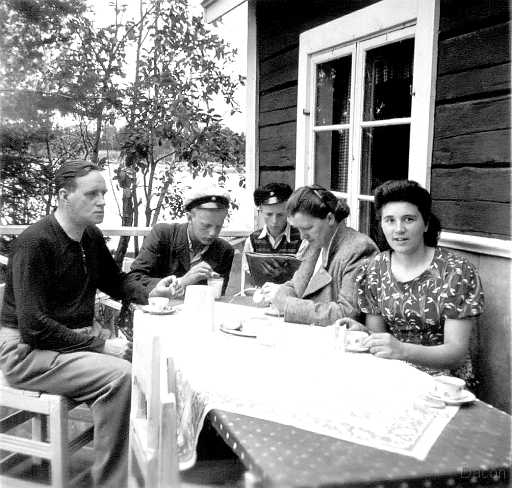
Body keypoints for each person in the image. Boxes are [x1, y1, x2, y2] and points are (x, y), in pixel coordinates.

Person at [0, 160, 169, 488]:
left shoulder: (88, 236)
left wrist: (151, 290)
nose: (103, 201)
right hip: (25, 350)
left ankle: (140, 469)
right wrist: (102, 344)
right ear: (64, 196)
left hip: (68, 342)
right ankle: (112, 482)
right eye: (92, 194)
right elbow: (34, 326)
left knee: (148, 363)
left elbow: (115, 280)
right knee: (120, 377)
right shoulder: (34, 243)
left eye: (104, 193)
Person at [341, 180, 484, 386]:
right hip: (392, 372)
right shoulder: (374, 269)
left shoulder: (455, 271)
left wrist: (401, 350)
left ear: (425, 223)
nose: (399, 229)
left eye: (408, 219)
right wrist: (364, 333)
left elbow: (456, 353)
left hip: (445, 382)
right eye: (389, 220)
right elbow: (380, 336)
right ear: (381, 225)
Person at [263, 185, 378, 326]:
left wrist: (288, 306)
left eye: (307, 228)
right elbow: (295, 286)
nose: (302, 236)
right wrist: (282, 295)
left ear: (329, 218)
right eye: (298, 229)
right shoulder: (315, 244)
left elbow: (347, 314)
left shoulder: (358, 249)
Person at [125, 184, 234, 301]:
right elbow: (133, 280)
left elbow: (217, 296)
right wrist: (183, 281)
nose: (213, 233)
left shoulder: (224, 250)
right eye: (206, 226)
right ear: (189, 218)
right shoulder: (163, 234)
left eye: (219, 226)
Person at [242, 182, 307, 286]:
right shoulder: (252, 240)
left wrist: (284, 276)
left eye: (280, 215)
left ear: (289, 212)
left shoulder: (302, 239)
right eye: (269, 214)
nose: (274, 221)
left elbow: (305, 281)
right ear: (261, 211)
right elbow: (247, 284)